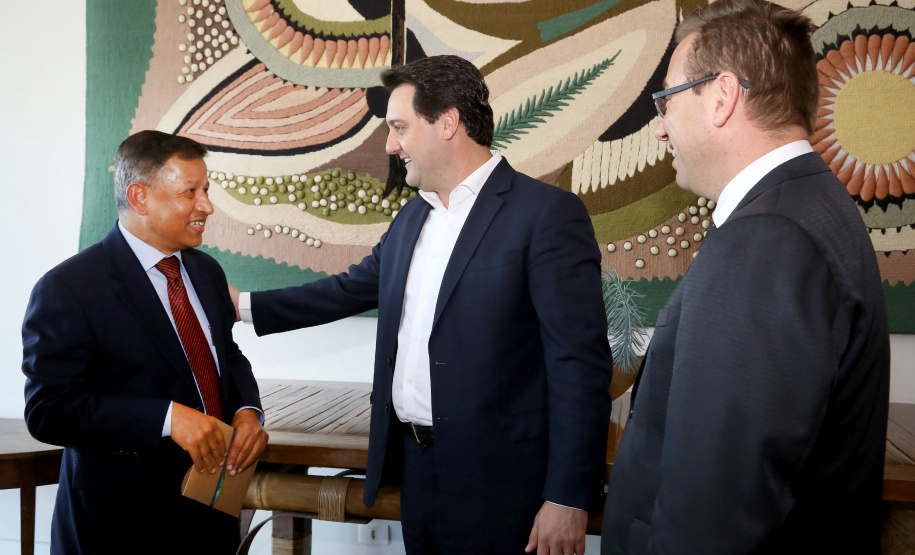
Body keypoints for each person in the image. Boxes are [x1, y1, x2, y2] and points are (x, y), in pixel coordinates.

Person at [233, 55, 612, 555]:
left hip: (503, 485)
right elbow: (350, 288)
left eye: (399, 128)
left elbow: (578, 365)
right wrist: (242, 306)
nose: (391, 145)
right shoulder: (413, 219)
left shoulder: (545, 214)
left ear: (448, 121)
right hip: (416, 470)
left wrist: (567, 496)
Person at [600, 0, 890, 553]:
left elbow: (716, 515)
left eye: (665, 99)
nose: (661, 129)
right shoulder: (808, 206)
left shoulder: (768, 240)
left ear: (722, 96)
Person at [22, 130, 268, 555]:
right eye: (190, 192)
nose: (206, 206)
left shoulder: (206, 272)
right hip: (119, 524)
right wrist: (169, 418)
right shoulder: (69, 287)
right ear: (140, 197)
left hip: (210, 513)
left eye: (205, 189)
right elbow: (49, 412)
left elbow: (225, 356)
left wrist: (248, 411)